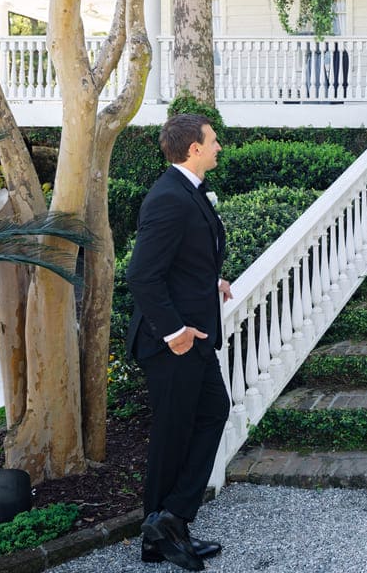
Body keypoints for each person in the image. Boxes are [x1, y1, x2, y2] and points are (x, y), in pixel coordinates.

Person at [126, 113, 232, 571]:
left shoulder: (189, 191)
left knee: (211, 413)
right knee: (172, 436)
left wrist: (211, 282)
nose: (218, 148)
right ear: (193, 148)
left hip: (196, 335)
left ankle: (168, 524)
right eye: (212, 141)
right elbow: (141, 275)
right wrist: (174, 333)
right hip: (174, 342)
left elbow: (181, 261)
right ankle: (162, 530)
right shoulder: (169, 197)